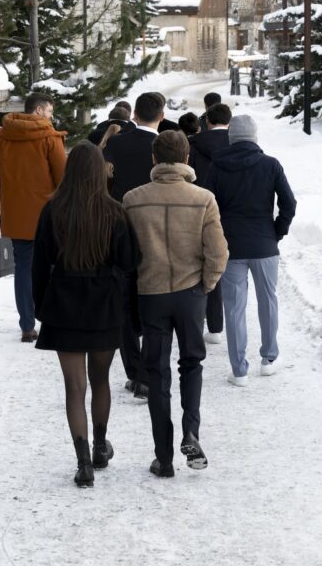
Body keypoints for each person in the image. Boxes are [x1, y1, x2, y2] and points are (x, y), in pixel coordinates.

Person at [32, 142, 140, 488]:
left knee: (74, 387)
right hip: (103, 305)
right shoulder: (115, 212)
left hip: (64, 304)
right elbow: (129, 261)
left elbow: (39, 264)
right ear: (99, 172)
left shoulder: (52, 211)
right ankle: (99, 446)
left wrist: (40, 307)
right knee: (101, 380)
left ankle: (82, 463)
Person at [124, 129, 228, 477]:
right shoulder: (203, 199)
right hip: (190, 294)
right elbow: (218, 252)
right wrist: (206, 285)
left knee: (156, 371)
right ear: (186, 159)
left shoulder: (133, 199)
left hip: (151, 293)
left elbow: (126, 254)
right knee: (192, 364)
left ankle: (163, 456)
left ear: (154, 159)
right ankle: (191, 431)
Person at [203, 115, 296, 386]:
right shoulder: (270, 165)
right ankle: (268, 358)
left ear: (231, 137)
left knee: (233, 307)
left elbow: (208, 206)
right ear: (254, 136)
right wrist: (277, 231)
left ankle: (239, 370)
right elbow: (289, 203)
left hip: (230, 245)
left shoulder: (217, 166)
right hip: (264, 244)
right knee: (268, 300)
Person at [0, 92, 67, 342]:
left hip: (16, 213)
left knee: (23, 268)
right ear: (40, 110)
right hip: (47, 217)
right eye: (51, 112)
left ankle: (27, 325)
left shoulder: (2, 137)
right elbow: (62, 177)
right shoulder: (49, 138)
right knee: (51, 267)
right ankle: (51, 318)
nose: (52, 117)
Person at [103, 91, 164, 398]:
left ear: (135, 116)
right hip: (158, 228)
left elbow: (106, 181)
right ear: (161, 116)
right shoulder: (166, 143)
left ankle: (136, 372)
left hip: (121, 226)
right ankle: (151, 368)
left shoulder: (115, 143)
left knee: (125, 304)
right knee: (154, 301)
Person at [189, 102, 233, 345]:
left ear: (207, 122)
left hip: (203, 209)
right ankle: (234, 318)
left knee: (209, 261)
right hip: (233, 210)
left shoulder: (196, 144)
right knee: (233, 267)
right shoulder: (236, 143)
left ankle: (213, 324)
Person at [188, 103, 232, 187]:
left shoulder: (194, 144)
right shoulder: (237, 145)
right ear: (229, 121)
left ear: (207, 120)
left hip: (200, 196)